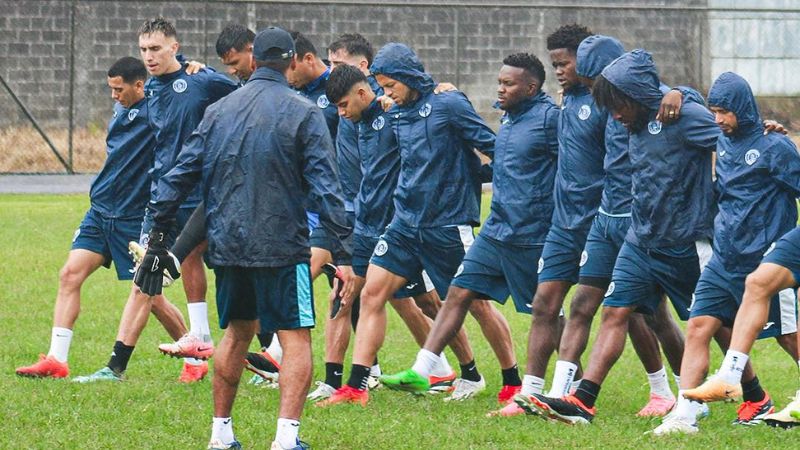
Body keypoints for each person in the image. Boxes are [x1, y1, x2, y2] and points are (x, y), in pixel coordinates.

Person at [135, 26, 351, 450]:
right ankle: (285, 439)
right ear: (291, 62)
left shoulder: (218, 111)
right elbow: (328, 188)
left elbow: (177, 176)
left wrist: (159, 238)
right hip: (283, 246)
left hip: (228, 245)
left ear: (254, 62)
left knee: (236, 333)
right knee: (295, 336)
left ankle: (220, 434)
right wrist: (342, 254)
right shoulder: (303, 111)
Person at [525, 49, 719, 425]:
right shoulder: (631, 120)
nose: (613, 116)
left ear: (637, 95)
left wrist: (686, 93)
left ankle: (752, 396)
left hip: (683, 240)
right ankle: (583, 400)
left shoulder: (681, 115)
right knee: (614, 312)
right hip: (638, 236)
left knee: (714, 323)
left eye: (618, 106)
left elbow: (731, 142)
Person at [317, 42, 513, 407]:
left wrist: (483, 182)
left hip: (446, 223)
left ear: (408, 77)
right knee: (372, 294)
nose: (386, 93)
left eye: (390, 86)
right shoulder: (394, 113)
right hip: (402, 224)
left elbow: (491, 149)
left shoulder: (446, 104)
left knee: (473, 303)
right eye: (383, 87)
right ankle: (356, 388)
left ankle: (511, 381)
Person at [377, 51, 558, 415]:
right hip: (487, 227)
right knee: (456, 293)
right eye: (500, 82)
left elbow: (555, 162)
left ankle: (556, 385)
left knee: (543, 310)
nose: (500, 88)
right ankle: (422, 369)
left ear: (531, 86)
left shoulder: (546, 119)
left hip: (518, 230)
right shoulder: (509, 118)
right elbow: (500, 160)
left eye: (508, 83)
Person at [72, 17, 238, 384]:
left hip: (201, 196)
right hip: (162, 199)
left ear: (174, 48)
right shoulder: (148, 92)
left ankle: (269, 351)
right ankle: (116, 367)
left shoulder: (200, 79)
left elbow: (243, 95)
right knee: (144, 280)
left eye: (156, 49)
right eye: (144, 49)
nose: (148, 56)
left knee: (231, 273)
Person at [15, 57, 186, 378]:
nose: (114, 95)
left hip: (132, 217)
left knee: (151, 297)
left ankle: (194, 358)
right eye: (110, 89)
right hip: (100, 210)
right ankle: (56, 359)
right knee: (70, 274)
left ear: (140, 85)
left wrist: (191, 67)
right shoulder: (121, 108)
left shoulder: (158, 109)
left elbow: (185, 89)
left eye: (119, 89)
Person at [660, 72, 800, 433]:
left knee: (788, 337)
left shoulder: (775, 146)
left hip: (765, 260)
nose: (718, 119)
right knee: (699, 326)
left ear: (742, 108)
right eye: (714, 111)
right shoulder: (722, 141)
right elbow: (679, 100)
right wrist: (679, 90)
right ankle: (685, 414)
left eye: (724, 111)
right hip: (723, 258)